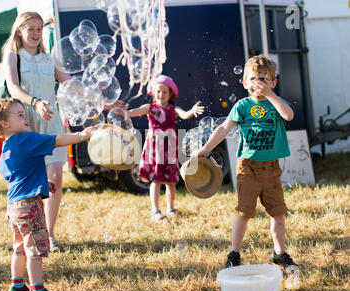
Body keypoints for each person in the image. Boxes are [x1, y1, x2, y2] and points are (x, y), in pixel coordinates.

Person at [2, 12, 125, 252]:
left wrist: (104, 102)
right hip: (25, 122)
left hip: (52, 122)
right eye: (31, 29)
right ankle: (25, 227)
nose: (36, 33)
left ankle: (49, 234)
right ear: (19, 31)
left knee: (55, 179)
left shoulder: (50, 60)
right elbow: (13, 88)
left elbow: (71, 84)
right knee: (27, 181)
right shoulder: (13, 57)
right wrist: (35, 101)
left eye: (39, 29)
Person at [192, 55, 298, 270]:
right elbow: (223, 129)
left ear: (273, 82)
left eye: (263, 79)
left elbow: (288, 116)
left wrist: (270, 95)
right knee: (244, 212)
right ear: (244, 83)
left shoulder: (276, 104)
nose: (257, 83)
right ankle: (234, 253)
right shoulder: (242, 105)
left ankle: (279, 253)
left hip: (271, 169)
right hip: (247, 168)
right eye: (252, 79)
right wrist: (205, 149)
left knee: (277, 213)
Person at [0, 98, 94, 291]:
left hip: (13, 207)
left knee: (19, 248)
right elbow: (56, 140)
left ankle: (17, 285)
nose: (26, 117)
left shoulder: (6, 149)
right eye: (19, 115)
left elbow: (17, 176)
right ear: (5, 124)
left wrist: (43, 183)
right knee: (34, 250)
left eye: (24, 113)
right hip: (29, 206)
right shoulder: (27, 139)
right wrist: (81, 135)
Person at [128, 75, 205, 222]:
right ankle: (155, 210)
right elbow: (135, 111)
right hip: (155, 149)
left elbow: (185, 114)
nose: (161, 95)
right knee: (156, 180)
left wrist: (192, 110)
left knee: (171, 181)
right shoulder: (149, 108)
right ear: (153, 93)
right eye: (158, 91)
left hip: (169, 150)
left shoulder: (173, 109)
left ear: (170, 95)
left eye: (164, 92)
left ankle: (171, 208)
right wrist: (123, 112)